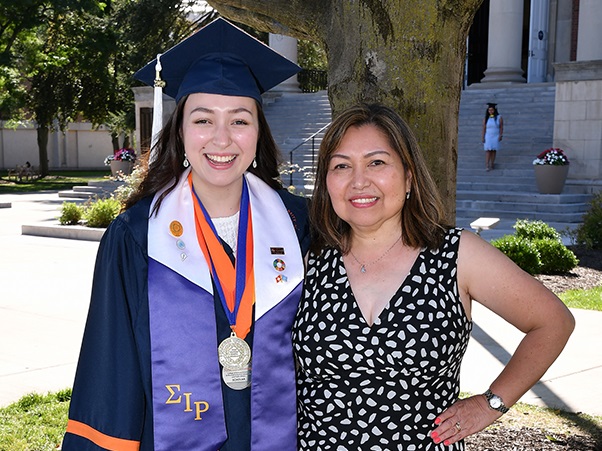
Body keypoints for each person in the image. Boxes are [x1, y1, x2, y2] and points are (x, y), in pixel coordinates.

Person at [63, 18, 310, 451]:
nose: (221, 139)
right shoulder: (136, 237)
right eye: (202, 120)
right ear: (180, 129)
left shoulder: (301, 225)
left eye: (239, 120)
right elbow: (112, 371)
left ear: (258, 131)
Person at [292, 103, 574, 450]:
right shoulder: (306, 260)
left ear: (409, 176)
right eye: (341, 166)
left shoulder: (457, 255)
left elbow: (553, 322)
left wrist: (491, 404)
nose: (359, 180)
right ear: (326, 182)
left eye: (377, 162)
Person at [481, 102, 503, 171]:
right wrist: (483, 137)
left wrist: (500, 135)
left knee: (493, 150)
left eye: (492, 110)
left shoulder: (499, 117)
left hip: (495, 135)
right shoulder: (486, 118)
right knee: (488, 150)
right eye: (489, 110)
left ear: (494, 110)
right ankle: (487, 165)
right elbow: (484, 128)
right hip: (488, 136)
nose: (491, 111)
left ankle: (492, 163)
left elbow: (501, 127)